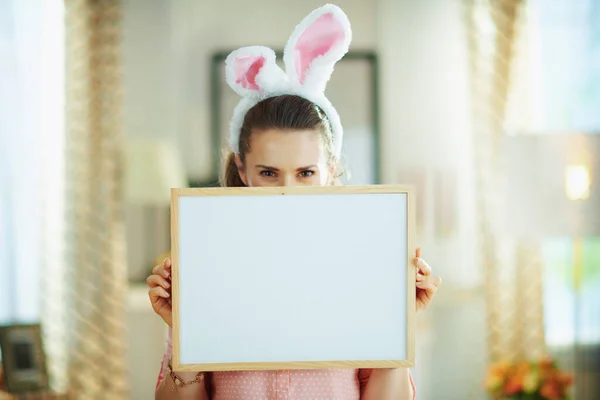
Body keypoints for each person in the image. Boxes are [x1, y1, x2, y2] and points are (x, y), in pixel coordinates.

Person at [148, 4, 442, 399]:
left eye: (306, 173)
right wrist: (185, 333)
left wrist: (396, 323)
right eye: (269, 173)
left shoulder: (363, 262)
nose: (288, 190)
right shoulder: (204, 262)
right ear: (242, 167)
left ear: (330, 169)